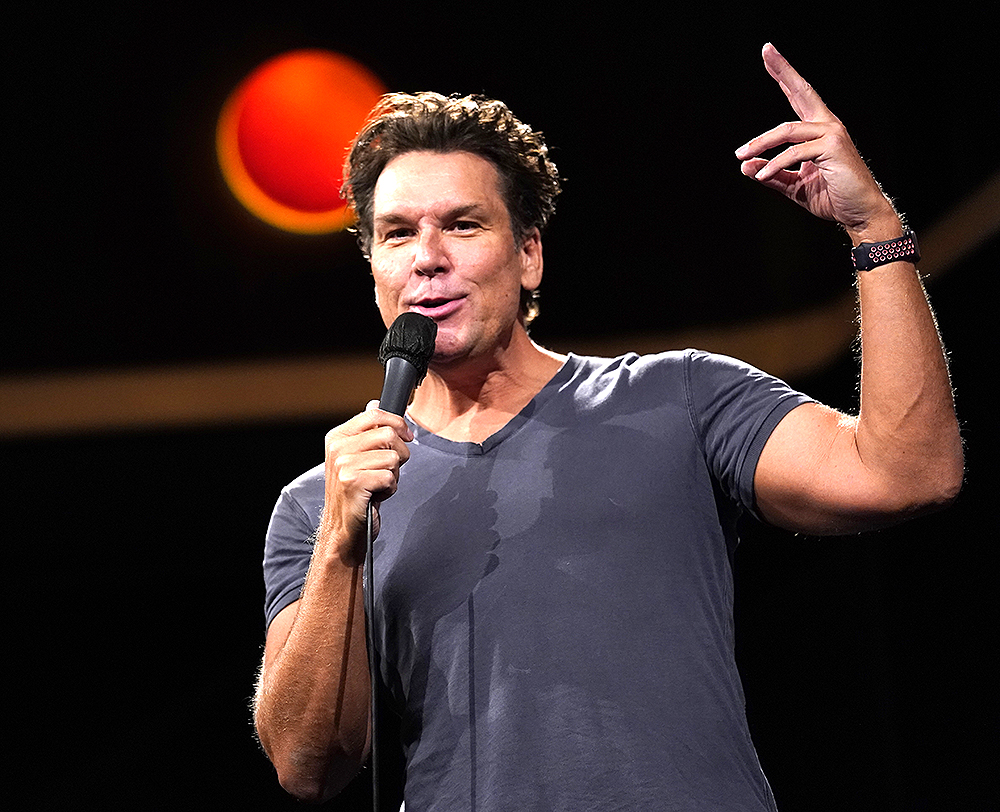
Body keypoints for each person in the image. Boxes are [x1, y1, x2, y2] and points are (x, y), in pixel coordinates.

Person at [253, 44, 964, 810]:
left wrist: (873, 228)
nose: (427, 257)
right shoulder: (322, 502)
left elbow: (910, 474)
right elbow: (306, 767)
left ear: (528, 255)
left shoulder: (679, 398)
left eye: (462, 225)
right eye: (396, 234)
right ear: (374, 269)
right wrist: (340, 544)